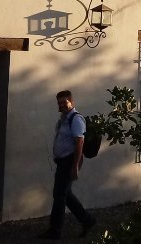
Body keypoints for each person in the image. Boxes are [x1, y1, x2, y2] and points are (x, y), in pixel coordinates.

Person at [39, 90, 96, 240]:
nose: (61, 105)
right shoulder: (64, 119)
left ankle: (55, 230)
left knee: (59, 196)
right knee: (66, 195)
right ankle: (88, 220)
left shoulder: (76, 119)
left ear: (71, 102)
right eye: (59, 102)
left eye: (64, 102)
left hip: (68, 162)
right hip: (62, 162)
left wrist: (75, 166)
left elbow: (80, 143)